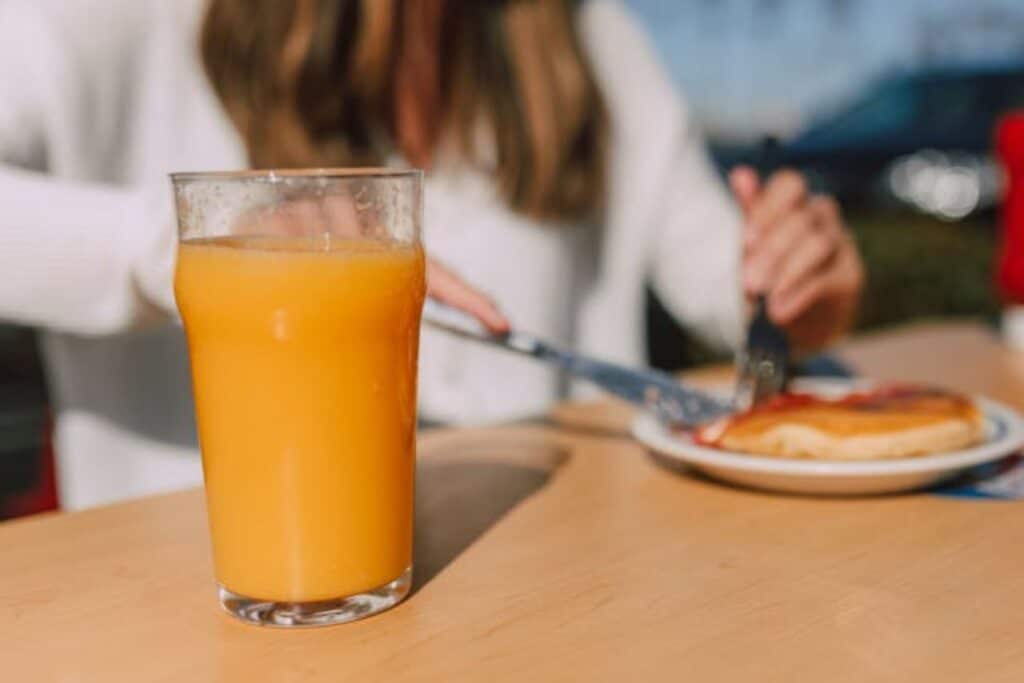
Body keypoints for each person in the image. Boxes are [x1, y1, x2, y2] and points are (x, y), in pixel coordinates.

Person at [0, 0, 862, 510]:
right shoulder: (108, 22)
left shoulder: (585, 38)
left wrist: (791, 279)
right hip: (195, 616)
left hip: (550, 594)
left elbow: (726, 281)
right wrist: (192, 241)